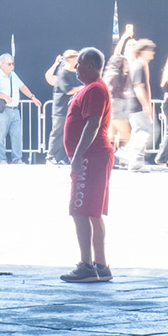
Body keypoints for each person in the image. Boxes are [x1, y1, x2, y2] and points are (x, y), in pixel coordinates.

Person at [60, 47, 114, 283]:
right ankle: (100, 264)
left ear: (91, 66)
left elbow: (92, 124)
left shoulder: (94, 90)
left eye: (80, 64)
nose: (76, 68)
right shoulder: (93, 89)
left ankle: (86, 264)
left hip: (91, 157)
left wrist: (78, 155)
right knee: (92, 213)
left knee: (80, 210)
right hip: (94, 157)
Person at [0, 53, 40, 163]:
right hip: (1, 110)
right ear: (2, 65)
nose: (12, 66)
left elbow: (22, 87)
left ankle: (17, 159)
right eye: (9, 64)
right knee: (0, 136)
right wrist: (4, 97)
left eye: (13, 63)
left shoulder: (13, 75)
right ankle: (1, 159)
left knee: (17, 136)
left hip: (14, 109)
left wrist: (32, 97)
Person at [125, 40, 157, 170]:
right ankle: (135, 161)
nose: (152, 53)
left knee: (140, 132)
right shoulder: (139, 64)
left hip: (134, 104)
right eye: (150, 50)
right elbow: (138, 86)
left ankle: (129, 156)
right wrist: (146, 105)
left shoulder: (137, 64)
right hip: (137, 105)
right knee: (144, 131)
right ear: (142, 51)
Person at [45, 49, 80, 165]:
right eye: (75, 58)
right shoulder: (62, 73)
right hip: (60, 109)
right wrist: (82, 88)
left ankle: (63, 158)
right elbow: (68, 90)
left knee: (69, 134)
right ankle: (50, 156)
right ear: (70, 59)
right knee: (58, 133)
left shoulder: (75, 73)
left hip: (71, 109)